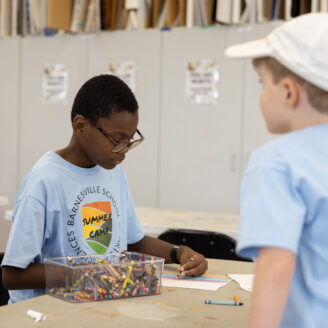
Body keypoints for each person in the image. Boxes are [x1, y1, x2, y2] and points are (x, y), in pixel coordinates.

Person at [1, 75, 208, 303]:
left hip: (97, 306)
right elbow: (13, 275)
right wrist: (89, 275)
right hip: (47, 314)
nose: (124, 150)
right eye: (117, 139)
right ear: (81, 126)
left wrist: (178, 253)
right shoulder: (44, 181)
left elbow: (132, 240)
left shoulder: (113, 172)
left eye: (130, 140)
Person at [225, 13, 328, 328]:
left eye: (261, 83)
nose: (260, 94)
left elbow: (276, 271)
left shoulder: (277, 162)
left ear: (288, 92)